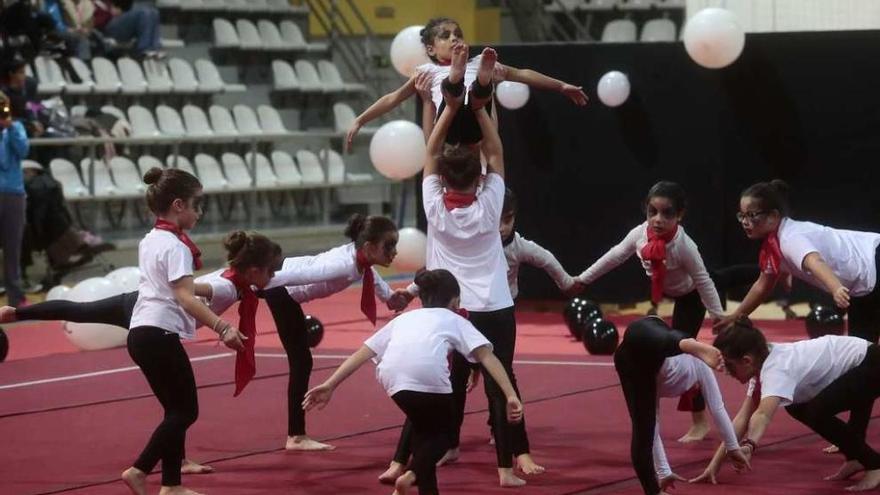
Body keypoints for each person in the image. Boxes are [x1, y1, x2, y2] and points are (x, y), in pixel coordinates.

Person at [395, 45, 539, 488]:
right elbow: (495, 152)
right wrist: (480, 109)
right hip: (493, 304)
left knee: (444, 382)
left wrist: (446, 108)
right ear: (477, 179)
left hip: (450, 307)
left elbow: (432, 150)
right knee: (500, 382)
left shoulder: (434, 205)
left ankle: (412, 457)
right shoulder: (490, 202)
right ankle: (505, 467)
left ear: (441, 177)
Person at [304, 268, 524, 495]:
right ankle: (411, 475)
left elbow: (363, 352)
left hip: (393, 380)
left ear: (422, 298)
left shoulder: (404, 318)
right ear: (456, 301)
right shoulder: (455, 319)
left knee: (424, 434)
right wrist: (510, 395)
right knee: (445, 435)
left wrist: (330, 384)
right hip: (428, 377)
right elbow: (488, 358)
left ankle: (421, 486)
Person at [120, 167, 246, 495]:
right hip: (158, 334)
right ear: (178, 205)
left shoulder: (151, 239)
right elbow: (185, 297)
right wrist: (223, 327)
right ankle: (139, 469)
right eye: (196, 205)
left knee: (174, 411)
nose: (199, 212)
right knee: (186, 411)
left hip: (141, 332)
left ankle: (171, 485)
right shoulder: (175, 247)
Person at [574, 181, 726, 442]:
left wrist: (719, 318)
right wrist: (583, 279)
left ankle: (700, 422)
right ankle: (654, 413)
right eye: (652, 212)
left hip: (690, 297)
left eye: (667, 213)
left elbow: (703, 281)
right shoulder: (640, 234)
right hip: (666, 291)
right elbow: (614, 256)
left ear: (680, 215)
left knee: (684, 354)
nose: (657, 220)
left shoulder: (684, 245)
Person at [258, 213, 413, 451]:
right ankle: (296, 436)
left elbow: (372, 275)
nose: (394, 252)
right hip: (281, 288)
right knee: (301, 362)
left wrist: (389, 298)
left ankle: (296, 434)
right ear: (370, 247)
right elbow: (298, 276)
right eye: (389, 246)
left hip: (283, 287)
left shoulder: (359, 257)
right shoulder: (342, 265)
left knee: (302, 362)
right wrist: (252, 283)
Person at [345, 16, 587, 150]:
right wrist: (360, 119)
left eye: (458, 34)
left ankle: (478, 82)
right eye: (446, 36)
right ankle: (462, 81)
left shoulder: (480, 61)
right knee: (457, 96)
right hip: (449, 129)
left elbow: (523, 74)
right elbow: (392, 98)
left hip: (478, 128)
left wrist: (561, 86)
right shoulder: (426, 71)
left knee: (482, 87)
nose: (454, 38)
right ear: (430, 48)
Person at [712, 318, 880, 491]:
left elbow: (762, 414)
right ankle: (856, 458)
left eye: (729, 366)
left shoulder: (776, 369)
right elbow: (742, 418)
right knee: (797, 406)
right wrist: (714, 466)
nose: (726, 372)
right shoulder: (763, 359)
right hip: (862, 360)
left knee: (816, 413)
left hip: (871, 363)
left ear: (747, 360)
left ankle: (874, 464)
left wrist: (750, 444)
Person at [713, 180, 880, 343]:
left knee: (861, 352)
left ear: (773, 216)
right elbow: (762, 286)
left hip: (873, 259)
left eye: (751, 215)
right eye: (742, 215)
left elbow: (815, 261)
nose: (745, 222)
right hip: (863, 283)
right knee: (861, 351)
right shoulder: (773, 245)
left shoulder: (790, 238)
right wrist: (736, 316)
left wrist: (835, 288)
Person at [615, 316, 747, 495]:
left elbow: (653, 427)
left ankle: (654, 492)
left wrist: (664, 472)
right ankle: (689, 343)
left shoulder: (665, 379)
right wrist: (732, 447)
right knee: (657, 340)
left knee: (644, 429)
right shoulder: (700, 364)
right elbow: (717, 408)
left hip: (633, 363)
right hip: (656, 341)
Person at [0, 90, 29, 309]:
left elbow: (23, 151)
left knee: (13, 247)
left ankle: (15, 297)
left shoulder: (16, 128)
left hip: (13, 194)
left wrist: (9, 128)